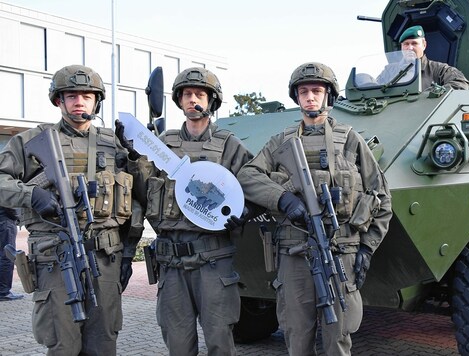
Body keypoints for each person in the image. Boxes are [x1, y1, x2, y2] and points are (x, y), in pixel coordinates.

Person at [237, 62, 393, 356]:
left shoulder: (349, 139)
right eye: (304, 91)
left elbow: (382, 197)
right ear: (296, 97)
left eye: (317, 91)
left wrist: (367, 249)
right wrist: (283, 199)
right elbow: (248, 176)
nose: (310, 97)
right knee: (297, 335)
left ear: (328, 97)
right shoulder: (281, 142)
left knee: (338, 334)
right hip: (294, 253)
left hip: (341, 252)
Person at [0, 64, 136, 355]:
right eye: (71, 95)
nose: (79, 102)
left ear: (96, 101)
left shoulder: (114, 143)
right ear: (58, 100)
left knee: (103, 342)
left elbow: (141, 195)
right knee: (63, 343)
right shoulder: (30, 142)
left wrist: (138, 158)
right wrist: (32, 194)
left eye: (86, 96)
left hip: (104, 258)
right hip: (54, 257)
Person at [120, 67, 254, 356]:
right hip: (171, 262)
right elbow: (143, 191)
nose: (193, 99)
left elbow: (253, 184)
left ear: (212, 101)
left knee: (220, 340)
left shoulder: (229, 145)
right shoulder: (163, 144)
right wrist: (134, 158)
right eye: (187, 94)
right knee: (178, 343)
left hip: (213, 260)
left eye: (200, 94)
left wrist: (247, 211)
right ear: (179, 101)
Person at [377, 25, 469, 90]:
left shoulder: (439, 70)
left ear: (424, 45)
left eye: (414, 43)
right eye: (406, 44)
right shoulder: (389, 70)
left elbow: (460, 84)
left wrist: (433, 94)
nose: (410, 48)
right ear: (401, 47)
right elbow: (373, 88)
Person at [0, 207, 23, 301]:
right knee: (7, 255)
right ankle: (3, 291)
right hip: (5, 221)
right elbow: (10, 205)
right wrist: (18, 216)